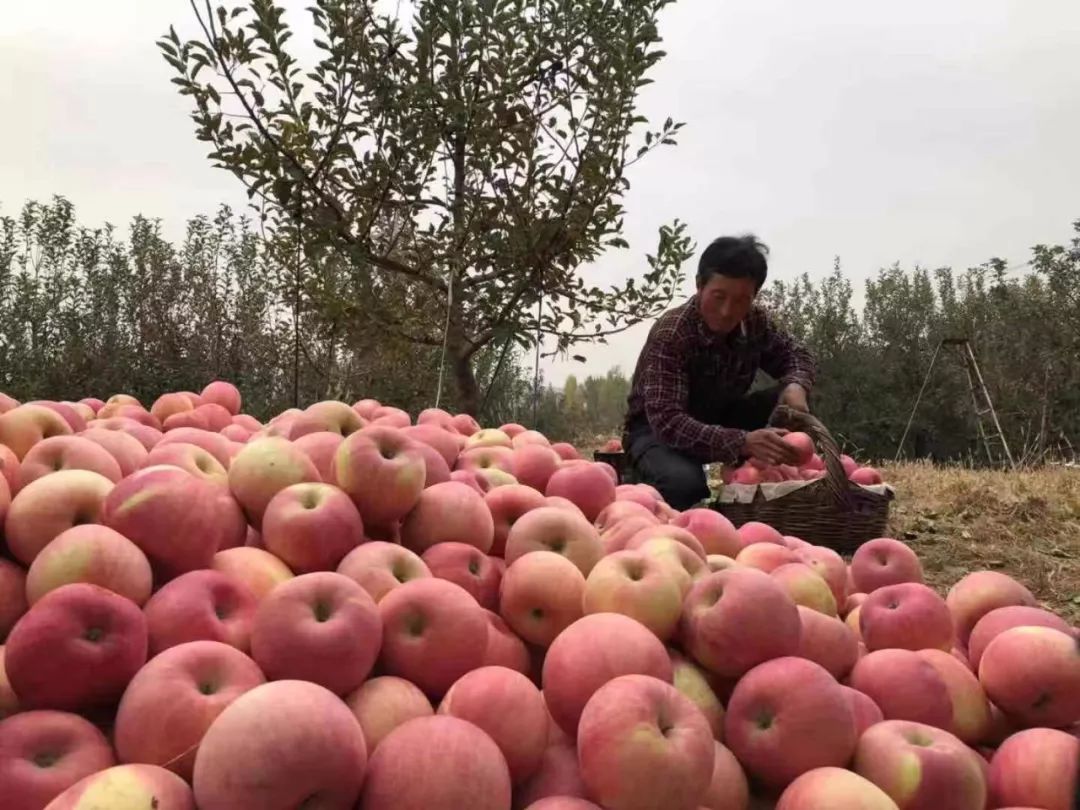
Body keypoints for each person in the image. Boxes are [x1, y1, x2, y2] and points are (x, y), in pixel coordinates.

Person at [622, 234, 816, 510]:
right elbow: (668, 422)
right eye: (719, 296)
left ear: (754, 296)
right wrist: (742, 443)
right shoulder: (673, 333)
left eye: (740, 300)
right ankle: (642, 474)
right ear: (700, 286)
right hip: (656, 430)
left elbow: (796, 355)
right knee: (684, 486)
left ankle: (767, 481)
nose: (727, 311)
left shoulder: (754, 321)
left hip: (722, 415)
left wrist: (796, 386)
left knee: (792, 400)